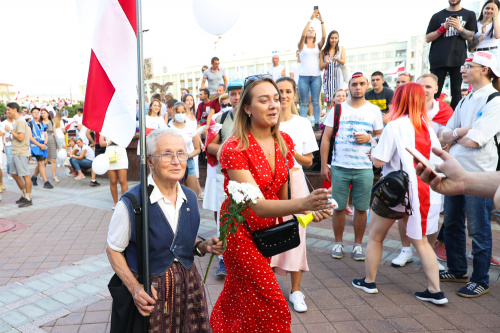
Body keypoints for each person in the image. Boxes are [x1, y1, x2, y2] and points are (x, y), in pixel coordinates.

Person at [210, 77, 334, 332]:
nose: (274, 105)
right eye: (264, 100)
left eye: (276, 99)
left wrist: (311, 209)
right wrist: (305, 202)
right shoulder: (233, 148)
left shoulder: (284, 140)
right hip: (240, 232)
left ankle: (224, 327)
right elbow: (259, 205)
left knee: (242, 294)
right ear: (247, 108)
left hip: (266, 232)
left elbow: (283, 199)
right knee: (274, 302)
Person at [106, 127, 224, 331]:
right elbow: (113, 250)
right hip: (150, 295)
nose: (176, 161)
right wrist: (135, 289)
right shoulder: (133, 203)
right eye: (167, 154)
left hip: (188, 288)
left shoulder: (191, 197)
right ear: (150, 161)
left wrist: (204, 246)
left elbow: (182, 240)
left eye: (181, 153)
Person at [352, 83, 448, 305]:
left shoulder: (394, 126)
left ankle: (369, 281)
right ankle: (435, 290)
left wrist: (373, 149)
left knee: (376, 236)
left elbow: (379, 161)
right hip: (424, 192)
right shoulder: (427, 125)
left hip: (396, 192)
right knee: (422, 242)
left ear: (399, 100)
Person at [438, 51, 500, 297]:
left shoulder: (494, 100)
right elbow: (444, 133)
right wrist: (460, 133)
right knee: (452, 224)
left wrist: (456, 135)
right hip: (456, 172)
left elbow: (475, 141)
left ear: (484, 70)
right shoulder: (465, 100)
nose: (462, 70)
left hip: (480, 177)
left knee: (478, 229)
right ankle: (457, 269)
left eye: (469, 66)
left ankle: (481, 279)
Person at [391, 73, 454, 268]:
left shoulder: (443, 111)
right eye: (420, 86)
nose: (424, 89)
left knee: (433, 214)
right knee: (405, 212)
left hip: (433, 170)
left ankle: (429, 254)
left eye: (428, 86)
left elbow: (448, 137)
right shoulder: (404, 115)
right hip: (409, 172)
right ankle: (406, 250)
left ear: (436, 89)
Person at [321, 72, 383, 261]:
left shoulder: (373, 110)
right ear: (349, 87)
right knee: (338, 207)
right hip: (340, 166)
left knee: (361, 208)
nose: (358, 87)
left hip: (364, 168)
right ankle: (338, 243)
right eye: (354, 84)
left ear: (366, 87)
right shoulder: (338, 109)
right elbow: (326, 138)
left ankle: (358, 245)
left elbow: (383, 138)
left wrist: (370, 138)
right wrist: (324, 165)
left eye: (362, 84)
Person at [271, 77, 319, 313]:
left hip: (296, 182)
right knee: (267, 231)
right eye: (279, 91)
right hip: (269, 184)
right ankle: (266, 287)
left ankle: (296, 291)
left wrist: (292, 153)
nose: (283, 95)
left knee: (297, 233)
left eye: (288, 91)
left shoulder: (302, 123)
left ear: (294, 95)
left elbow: (309, 161)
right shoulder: (266, 121)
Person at [206, 78, 245, 277]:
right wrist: (229, 150)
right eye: (233, 94)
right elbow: (210, 146)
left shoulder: (254, 117)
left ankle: (243, 260)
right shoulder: (221, 118)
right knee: (225, 218)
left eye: (239, 93)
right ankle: (223, 260)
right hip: (225, 176)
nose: (236, 97)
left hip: (249, 178)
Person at [425, 0, 477, 110]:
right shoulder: (437, 16)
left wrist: (459, 28)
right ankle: (430, 118)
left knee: (456, 92)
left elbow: (471, 38)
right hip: (438, 59)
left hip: (458, 59)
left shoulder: (469, 14)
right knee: (435, 91)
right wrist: (443, 28)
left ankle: (454, 120)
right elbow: (427, 38)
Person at [297, 9, 326, 131]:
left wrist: (321, 21)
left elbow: (325, 36)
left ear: (315, 34)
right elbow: (303, 34)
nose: (311, 31)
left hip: (316, 76)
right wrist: (310, 19)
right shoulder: (301, 46)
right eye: (309, 30)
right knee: (303, 102)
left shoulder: (318, 46)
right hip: (303, 76)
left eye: (312, 30)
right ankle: (303, 123)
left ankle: (317, 123)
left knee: (315, 101)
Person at [169, 102, 203, 198]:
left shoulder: (190, 128)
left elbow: (197, 149)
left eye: (183, 112)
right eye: (178, 112)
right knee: (177, 195)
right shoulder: (169, 128)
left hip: (189, 162)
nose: (180, 114)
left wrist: (187, 156)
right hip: (173, 162)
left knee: (193, 195)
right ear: (174, 113)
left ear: (186, 112)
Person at [7, 102, 33, 208]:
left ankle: (28, 198)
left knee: (25, 174)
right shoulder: (17, 121)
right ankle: (23, 195)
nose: (7, 112)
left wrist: (11, 131)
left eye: (9, 109)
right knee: (13, 174)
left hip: (20, 152)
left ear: (14, 110)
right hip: (15, 152)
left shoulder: (20, 121)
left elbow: (21, 137)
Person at [469, 0, 500, 73]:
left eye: (493, 9)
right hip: (477, 53)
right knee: (475, 78)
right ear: (483, 9)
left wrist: (495, 17)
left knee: (494, 78)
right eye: (487, 8)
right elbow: (470, 48)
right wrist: (482, 34)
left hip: (492, 53)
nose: (489, 11)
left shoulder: (496, 24)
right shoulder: (475, 24)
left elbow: (497, 36)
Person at [320, 30, 346, 111]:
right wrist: (326, 63)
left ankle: (340, 116)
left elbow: (343, 62)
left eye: (335, 38)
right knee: (329, 100)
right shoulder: (323, 51)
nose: (334, 40)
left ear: (338, 39)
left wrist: (337, 59)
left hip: (338, 76)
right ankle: (329, 117)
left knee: (340, 98)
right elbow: (321, 67)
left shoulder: (341, 49)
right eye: (332, 38)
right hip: (328, 77)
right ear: (328, 39)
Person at [28, 108, 53, 189]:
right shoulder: (29, 124)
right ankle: (46, 182)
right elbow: (30, 137)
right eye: (34, 112)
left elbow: (46, 135)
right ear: (31, 114)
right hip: (36, 147)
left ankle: (34, 177)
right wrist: (40, 145)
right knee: (42, 163)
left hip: (43, 146)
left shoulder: (42, 124)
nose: (36, 114)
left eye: (37, 112)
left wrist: (45, 144)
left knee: (42, 162)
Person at [41, 109, 59, 183]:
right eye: (41, 113)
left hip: (51, 140)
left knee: (53, 159)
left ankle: (54, 176)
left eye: (44, 113)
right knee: (44, 160)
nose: (43, 114)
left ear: (48, 114)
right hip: (43, 141)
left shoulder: (52, 122)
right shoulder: (40, 122)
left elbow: (55, 133)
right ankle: (43, 175)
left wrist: (57, 143)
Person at [2, 107, 14, 180]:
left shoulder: (17, 122)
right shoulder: (3, 123)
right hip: (8, 144)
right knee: (9, 160)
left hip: (17, 144)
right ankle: (9, 172)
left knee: (16, 160)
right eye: (8, 113)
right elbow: (2, 135)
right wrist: (3, 145)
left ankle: (14, 173)